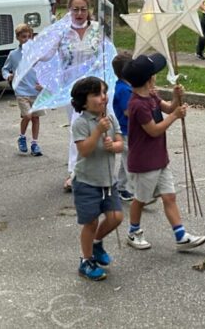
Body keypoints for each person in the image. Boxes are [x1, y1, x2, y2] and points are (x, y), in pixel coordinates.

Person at [12, 0, 117, 193]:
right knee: (77, 128)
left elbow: (109, 53)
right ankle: (74, 172)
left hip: (96, 89)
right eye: (75, 9)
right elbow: (47, 54)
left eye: (83, 9)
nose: (79, 13)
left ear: (89, 10)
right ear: (69, 10)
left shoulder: (98, 30)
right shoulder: (62, 33)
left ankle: (101, 171)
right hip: (74, 90)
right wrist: (31, 54)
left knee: (103, 127)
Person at [122, 53, 205, 252]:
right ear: (149, 78)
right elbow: (154, 130)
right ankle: (133, 232)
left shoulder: (151, 95)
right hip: (144, 162)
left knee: (169, 196)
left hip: (159, 158)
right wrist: (176, 116)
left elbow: (169, 108)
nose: (156, 77)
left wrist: (176, 97)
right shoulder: (137, 105)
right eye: (154, 74)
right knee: (141, 200)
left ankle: (181, 235)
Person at [69, 76, 124, 281]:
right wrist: (98, 131)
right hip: (86, 182)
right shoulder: (81, 123)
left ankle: (97, 242)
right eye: (96, 94)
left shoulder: (110, 117)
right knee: (90, 223)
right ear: (83, 101)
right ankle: (86, 260)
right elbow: (84, 150)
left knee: (115, 217)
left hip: (108, 181)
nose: (103, 97)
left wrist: (114, 146)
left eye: (103, 92)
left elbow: (121, 142)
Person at [1, 23, 44, 157]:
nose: (26, 39)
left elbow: (43, 69)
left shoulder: (37, 53)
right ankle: (22, 137)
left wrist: (43, 83)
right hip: (21, 91)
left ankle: (35, 143)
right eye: (23, 37)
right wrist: (8, 76)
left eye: (29, 37)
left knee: (36, 118)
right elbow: (5, 69)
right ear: (18, 38)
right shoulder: (13, 55)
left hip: (36, 90)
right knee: (27, 116)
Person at [111, 51, 133, 201]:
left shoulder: (124, 86)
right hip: (125, 130)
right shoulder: (124, 90)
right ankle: (137, 189)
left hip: (127, 129)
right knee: (130, 161)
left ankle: (120, 186)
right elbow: (128, 112)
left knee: (127, 158)